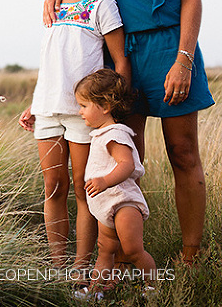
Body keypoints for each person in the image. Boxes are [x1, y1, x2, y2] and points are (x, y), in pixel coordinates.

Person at [44, 0, 214, 264]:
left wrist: (184, 57)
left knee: (182, 151)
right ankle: (116, 256)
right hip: (118, 51)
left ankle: (190, 255)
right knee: (119, 155)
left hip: (169, 47)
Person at [20, 0, 130, 269]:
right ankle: (58, 267)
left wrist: (111, 105)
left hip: (84, 112)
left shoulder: (103, 5)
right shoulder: (53, 5)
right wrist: (35, 102)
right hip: (48, 110)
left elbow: (120, 60)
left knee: (84, 190)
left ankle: (81, 269)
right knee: (53, 187)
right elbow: (54, 62)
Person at [74, 69, 156, 297]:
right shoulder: (102, 133)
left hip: (123, 203)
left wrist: (104, 181)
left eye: (84, 105)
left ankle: (153, 287)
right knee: (105, 250)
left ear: (105, 107)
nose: (80, 112)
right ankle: (96, 290)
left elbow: (127, 164)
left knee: (132, 250)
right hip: (107, 204)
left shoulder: (115, 134)